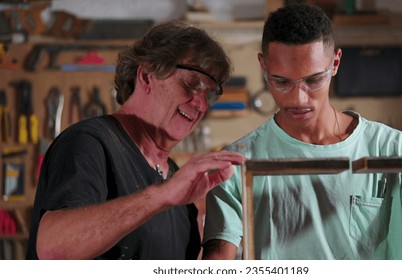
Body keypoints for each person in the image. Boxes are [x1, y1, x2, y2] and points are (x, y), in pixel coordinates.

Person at [202, 4, 402, 260]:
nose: (298, 99)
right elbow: (219, 260)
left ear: (335, 63)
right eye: (281, 82)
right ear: (263, 65)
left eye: (313, 80)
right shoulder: (237, 163)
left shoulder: (393, 150)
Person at [26, 21, 244, 260]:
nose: (201, 104)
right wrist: (161, 196)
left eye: (209, 95)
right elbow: (53, 248)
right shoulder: (89, 143)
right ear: (147, 76)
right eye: (191, 84)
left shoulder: (174, 176)